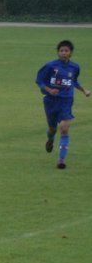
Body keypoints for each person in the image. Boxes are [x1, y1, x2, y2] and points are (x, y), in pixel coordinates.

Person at [36, 40, 91, 170]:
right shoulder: (50, 66)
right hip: (50, 101)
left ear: (70, 53)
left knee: (65, 128)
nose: (64, 53)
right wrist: (49, 90)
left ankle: (61, 159)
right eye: (61, 50)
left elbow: (74, 81)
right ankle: (50, 139)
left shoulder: (75, 67)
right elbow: (39, 80)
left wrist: (84, 90)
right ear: (58, 52)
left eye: (66, 51)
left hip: (66, 101)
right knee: (52, 129)